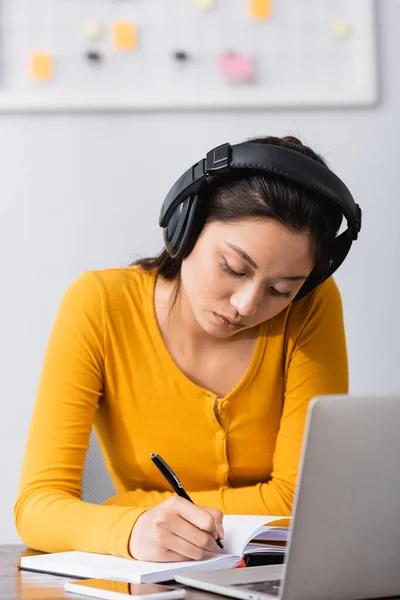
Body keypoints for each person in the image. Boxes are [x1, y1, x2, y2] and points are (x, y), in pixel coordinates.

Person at [14, 135, 361, 564]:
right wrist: (135, 530)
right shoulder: (100, 304)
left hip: (275, 575)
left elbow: (300, 503)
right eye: (233, 268)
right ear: (186, 226)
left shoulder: (312, 308)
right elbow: (36, 506)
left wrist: (123, 509)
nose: (247, 305)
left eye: (280, 290)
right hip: (153, 577)